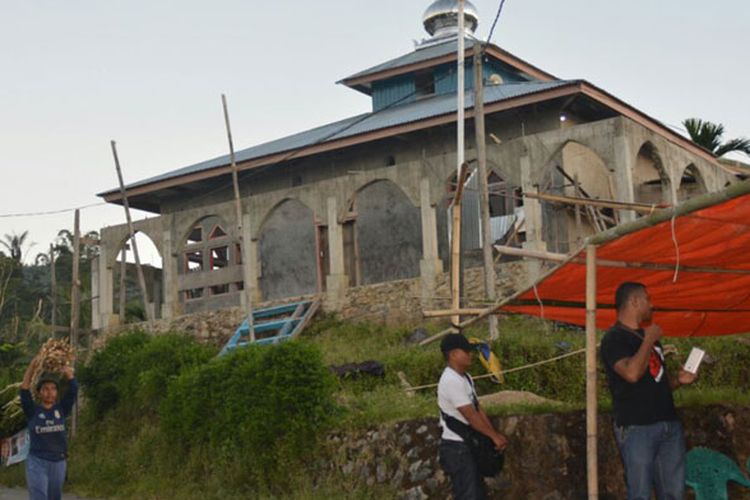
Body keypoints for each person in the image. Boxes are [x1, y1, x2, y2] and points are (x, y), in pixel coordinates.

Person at [600, 282, 696, 500]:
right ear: (634, 301)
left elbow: (657, 382)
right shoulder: (614, 339)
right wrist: (648, 340)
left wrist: (679, 381)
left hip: (668, 424)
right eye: (647, 299)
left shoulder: (651, 340)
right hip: (637, 427)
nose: (651, 305)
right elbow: (632, 374)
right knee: (640, 493)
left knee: (673, 493)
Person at [437, 333, 507, 500]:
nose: (471, 355)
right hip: (457, 447)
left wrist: (492, 435)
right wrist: (493, 436)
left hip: (468, 445)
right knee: (469, 495)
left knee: (477, 493)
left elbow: (477, 409)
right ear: (453, 354)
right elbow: (470, 415)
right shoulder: (450, 380)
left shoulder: (465, 378)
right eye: (466, 351)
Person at [19, 352, 78, 500]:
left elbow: (73, 391)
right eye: (45, 389)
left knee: (54, 497)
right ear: (39, 393)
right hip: (37, 461)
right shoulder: (32, 411)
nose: (49, 392)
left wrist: (67, 371)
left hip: (58, 461)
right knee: (39, 496)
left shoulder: (61, 409)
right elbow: (24, 390)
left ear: (57, 392)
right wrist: (32, 366)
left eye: (53, 389)